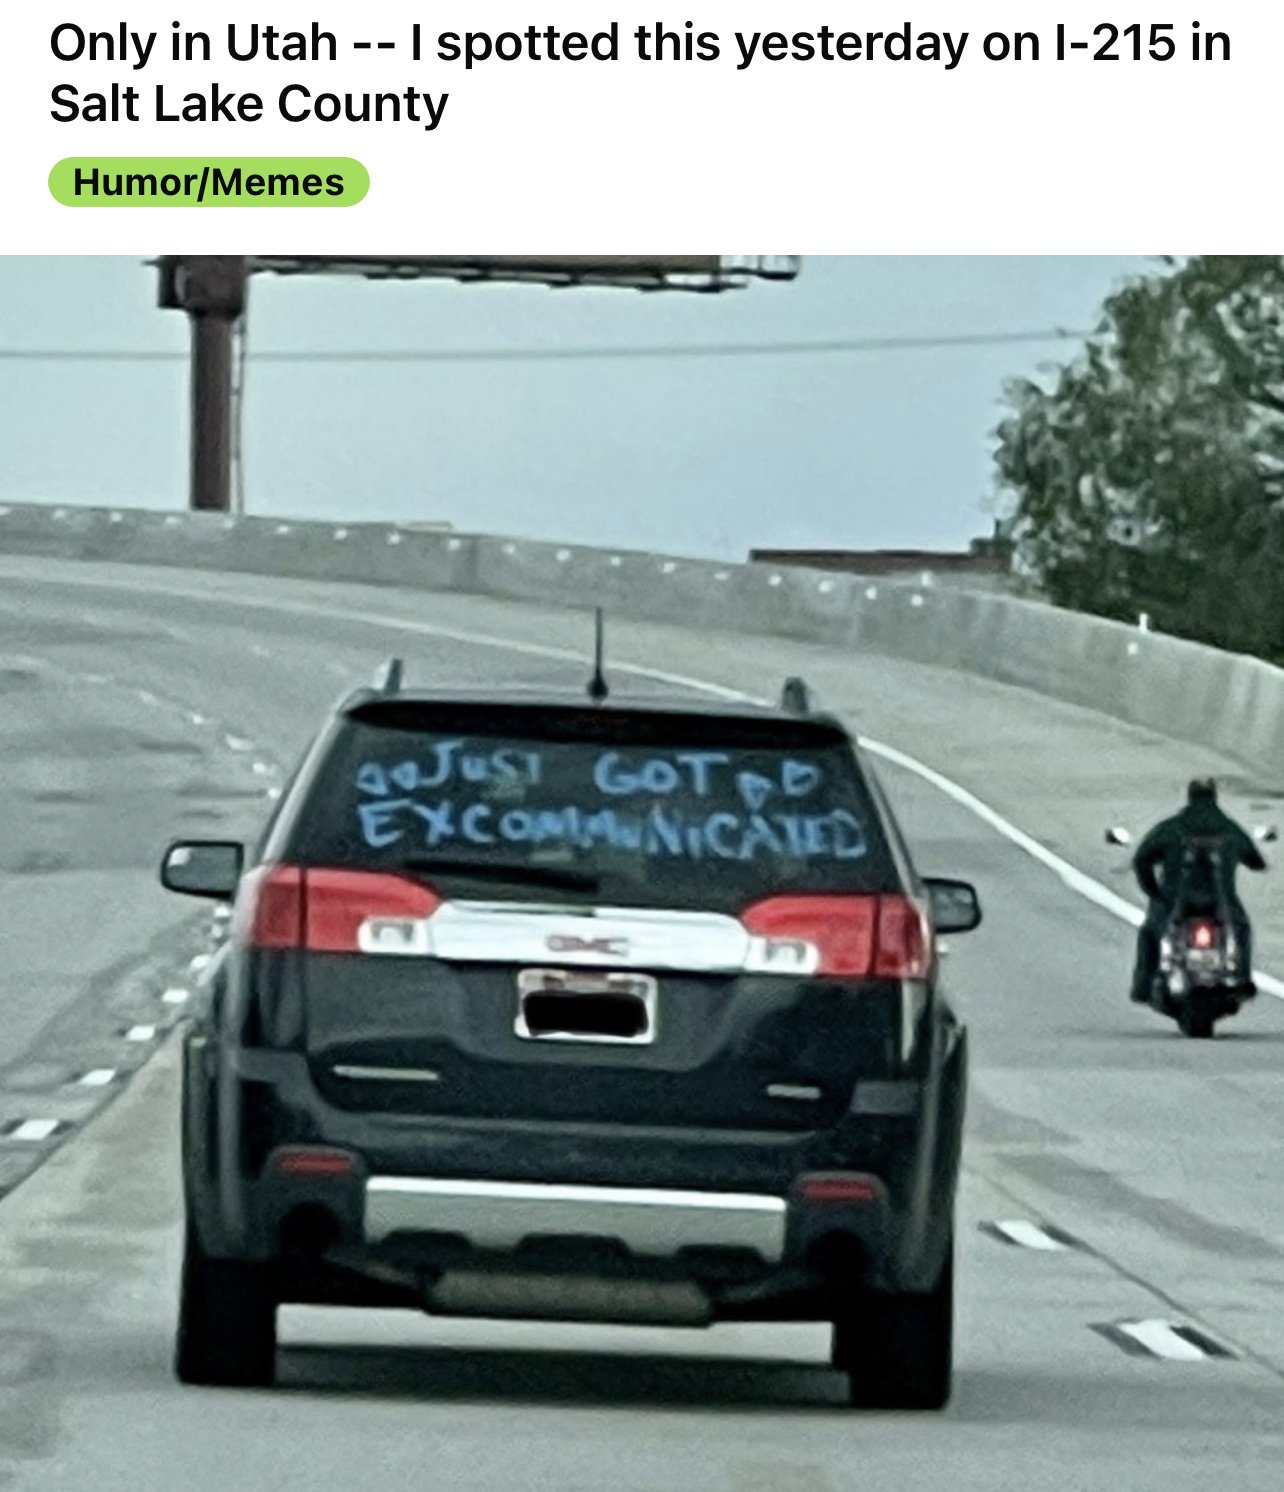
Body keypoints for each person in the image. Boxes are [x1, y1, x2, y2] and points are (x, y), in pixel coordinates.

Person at [1130, 777, 1265, 1002]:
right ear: (1214, 797)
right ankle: (1242, 978)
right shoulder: (1229, 828)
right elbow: (1256, 861)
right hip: (1221, 901)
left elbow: (1142, 859)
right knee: (1242, 928)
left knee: (1150, 932)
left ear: (1190, 797)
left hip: (1174, 900)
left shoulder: (1172, 827)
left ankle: (1143, 985)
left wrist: (1153, 891)